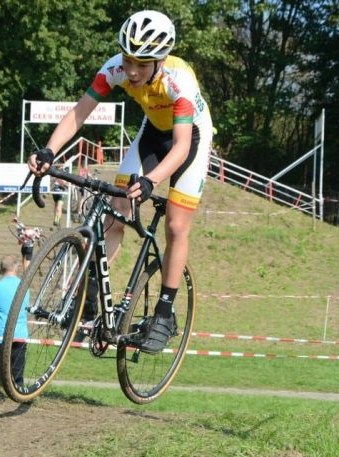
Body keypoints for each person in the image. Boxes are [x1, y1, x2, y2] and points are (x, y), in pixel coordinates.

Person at [28, 10, 212, 354]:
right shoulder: (114, 68)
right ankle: (90, 295)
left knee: (175, 225)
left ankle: (165, 312)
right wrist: (49, 151)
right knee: (116, 212)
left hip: (191, 139)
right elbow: (78, 113)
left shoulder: (179, 81)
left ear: (160, 59)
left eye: (142, 64)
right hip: (153, 135)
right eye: (128, 60)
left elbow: (183, 145)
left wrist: (151, 181)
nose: (131, 71)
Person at [0, 255, 30, 385]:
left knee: (0, 372)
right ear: (16, 267)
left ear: (1, 268)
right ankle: (18, 389)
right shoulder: (24, 287)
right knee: (18, 371)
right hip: (19, 334)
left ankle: (3, 387)